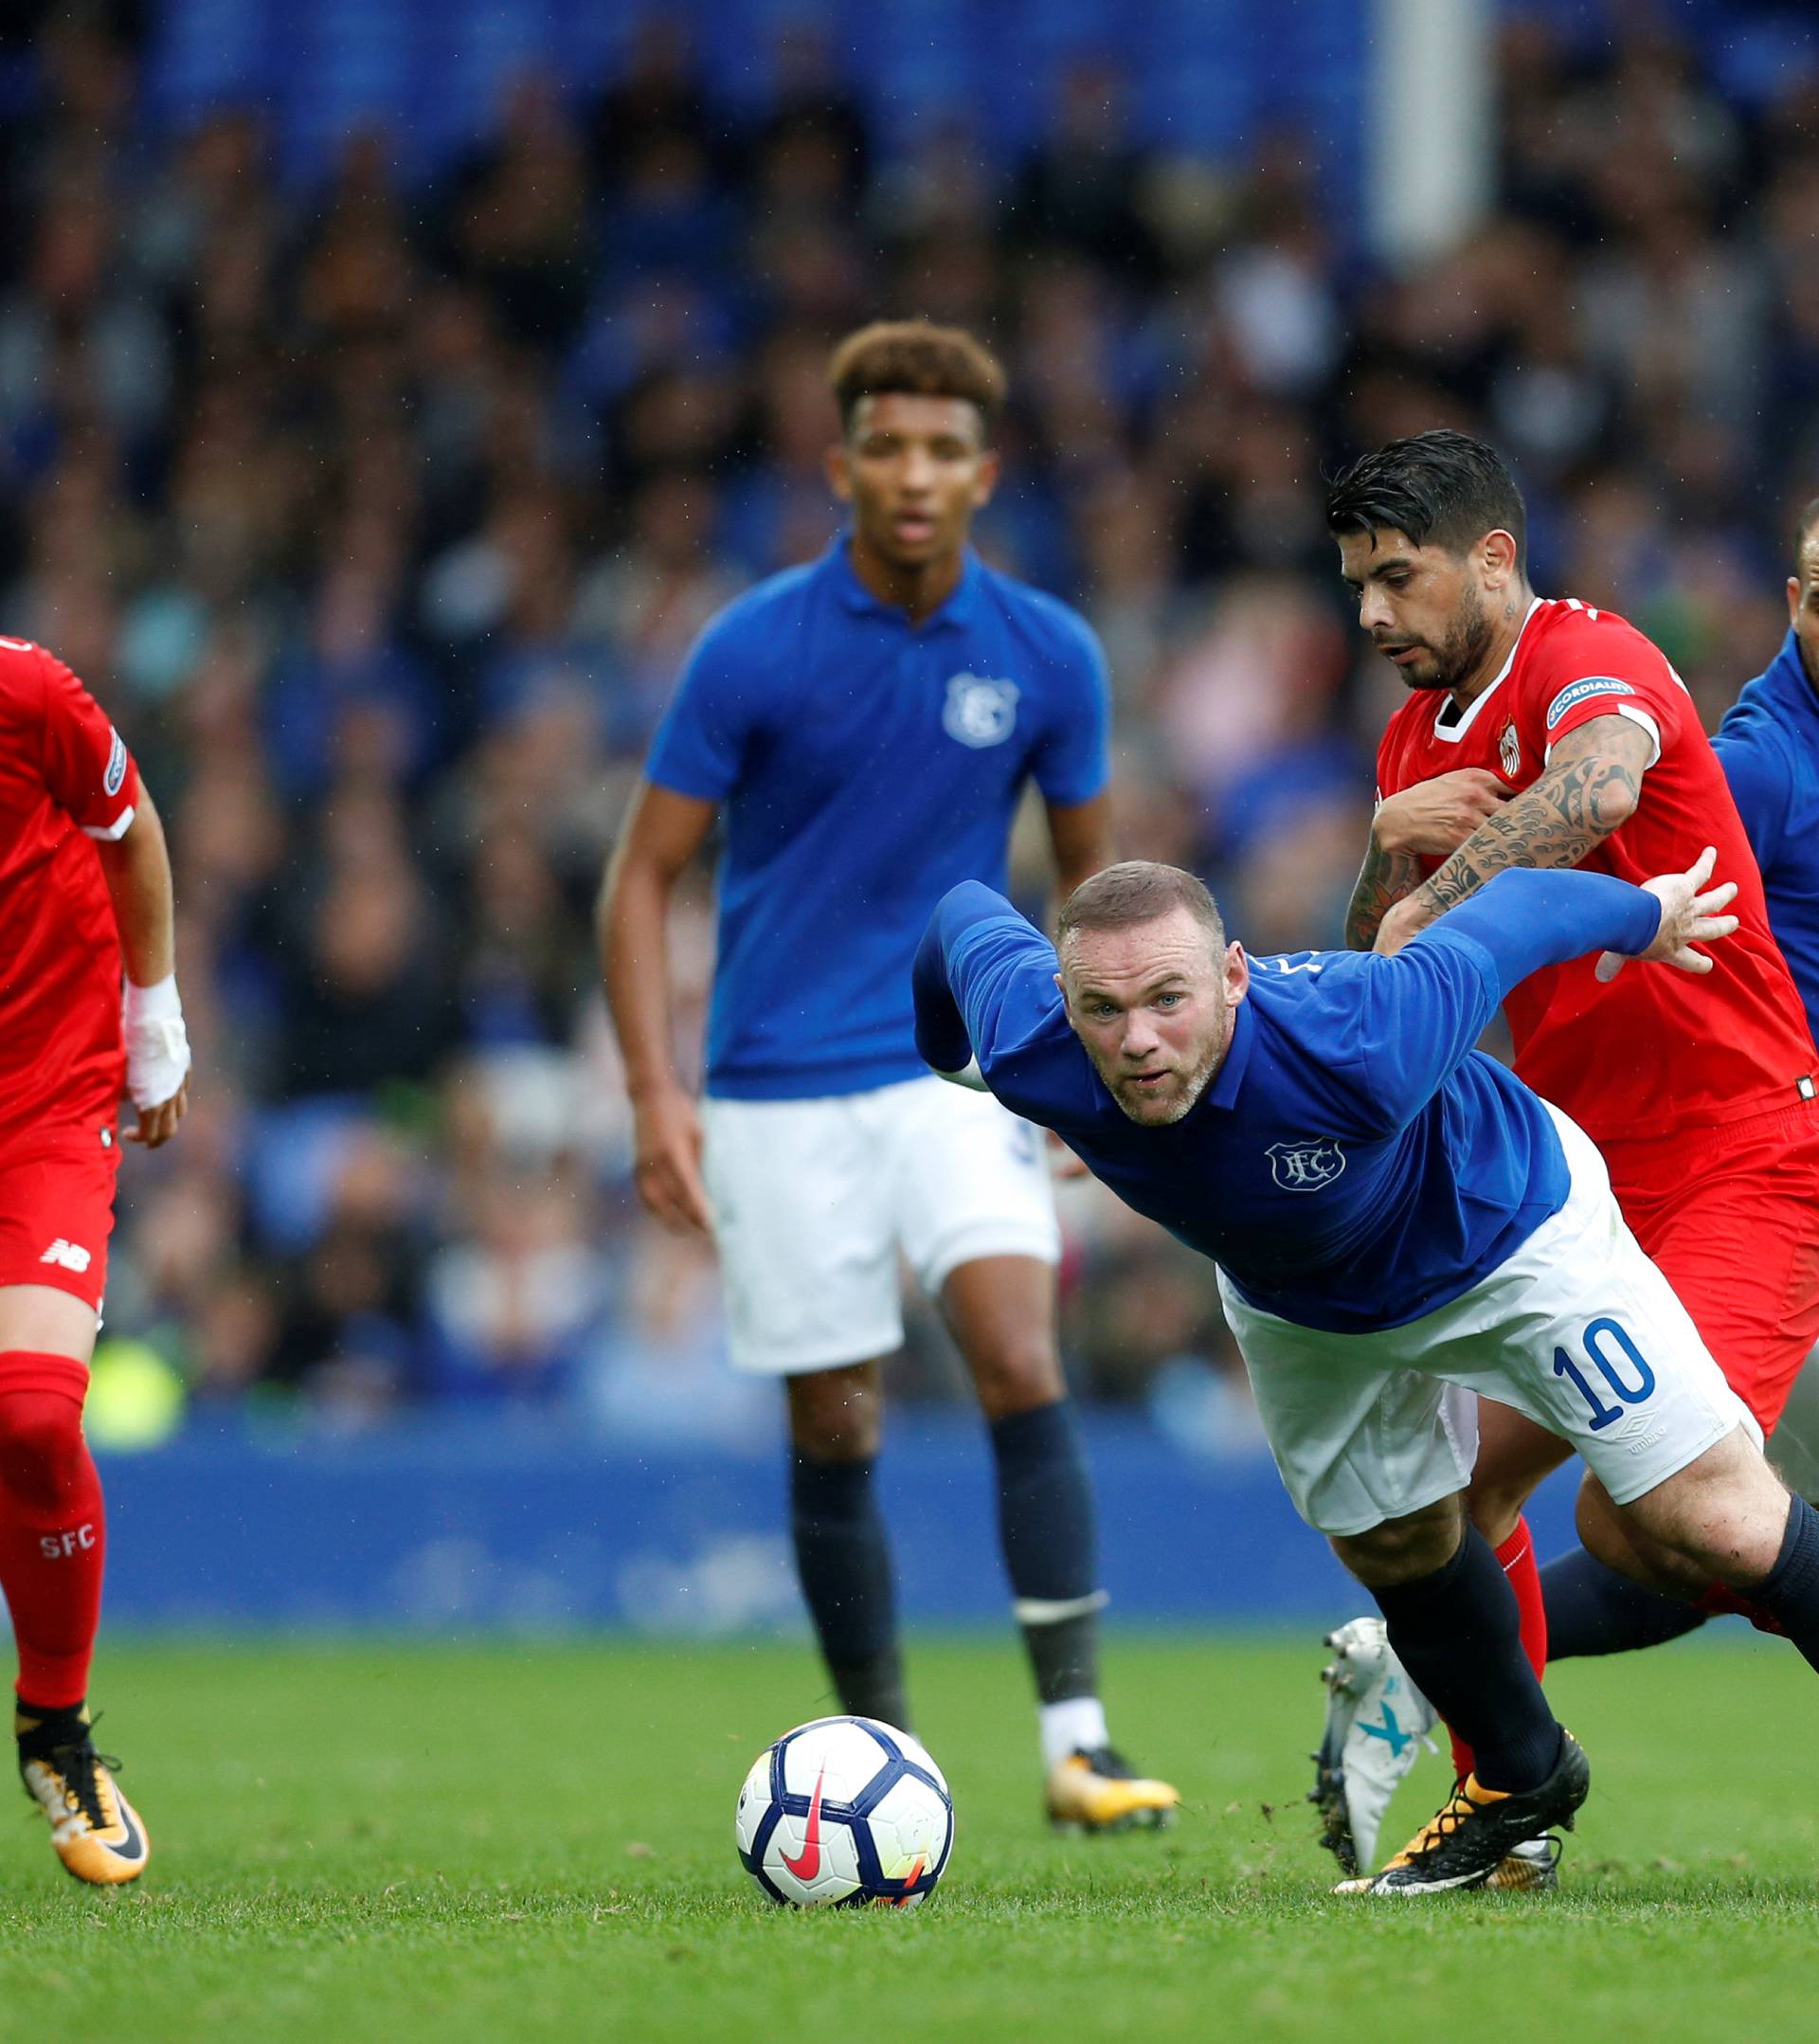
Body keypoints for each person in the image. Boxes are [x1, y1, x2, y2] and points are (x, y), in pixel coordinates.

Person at [911, 852, 1819, 1895]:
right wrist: (950, 1062)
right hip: (1304, 1308)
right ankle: (1522, 1780)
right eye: (1103, 1010)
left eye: (1169, 998)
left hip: (1510, 1236)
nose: (1138, 1039)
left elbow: (1516, 911)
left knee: (1717, 1522)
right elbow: (959, 912)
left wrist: (1644, 913)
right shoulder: (1035, 1045)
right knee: (1395, 1539)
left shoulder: (1363, 1031)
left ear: (1235, 977)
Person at [599, 320, 1178, 1829]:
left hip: (956, 1065)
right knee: (837, 1421)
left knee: (1016, 1353)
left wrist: (1097, 1060)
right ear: (841, 462)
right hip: (776, 1080)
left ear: (984, 473)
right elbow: (640, 876)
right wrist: (656, 1095)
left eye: (943, 450)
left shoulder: (1047, 652)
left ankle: (1079, 1740)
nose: (914, 475)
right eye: (888, 447)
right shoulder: (751, 649)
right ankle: (881, 1758)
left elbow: (1097, 881)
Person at [1308, 431, 1819, 1881]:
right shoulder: (1414, 748)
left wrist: (1440, 893)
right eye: (1355, 586)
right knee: (1446, 1497)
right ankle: (1507, 1813)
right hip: (1586, 1183)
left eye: (1396, 579)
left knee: (1675, 1515)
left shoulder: (1593, 655)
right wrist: (1375, 860)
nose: (1372, 615)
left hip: (1744, 1148)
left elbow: (1598, 791)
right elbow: (1376, 1002)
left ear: (1492, 560)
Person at [1534, 497, 1819, 1657]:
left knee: (1674, 1519)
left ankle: (1430, 1652)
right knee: (1661, 1512)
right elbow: (1613, 908)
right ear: (1798, 605)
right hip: (1759, 1153)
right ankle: (1435, 1648)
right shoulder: (1761, 771)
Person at [0, 638, 191, 1885]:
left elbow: (129, 830)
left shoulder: (26, 690)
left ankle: (54, 1729)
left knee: (27, 1415)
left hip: (50, 1099)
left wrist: (154, 1009)